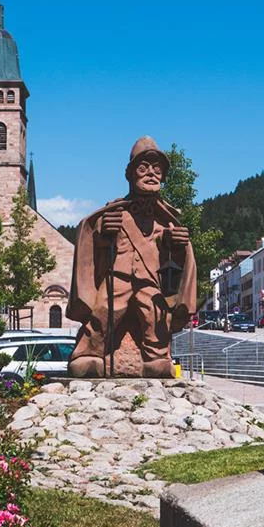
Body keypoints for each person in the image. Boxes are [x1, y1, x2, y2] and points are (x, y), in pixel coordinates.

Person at [66, 136, 196, 378]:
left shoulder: (165, 217)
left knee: (155, 315)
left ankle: (156, 358)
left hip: (149, 280)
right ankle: (89, 354)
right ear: (130, 174)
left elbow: (173, 256)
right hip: (119, 276)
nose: (151, 173)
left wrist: (176, 243)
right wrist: (103, 231)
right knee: (104, 311)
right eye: (143, 168)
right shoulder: (114, 211)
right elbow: (92, 239)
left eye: (157, 169)